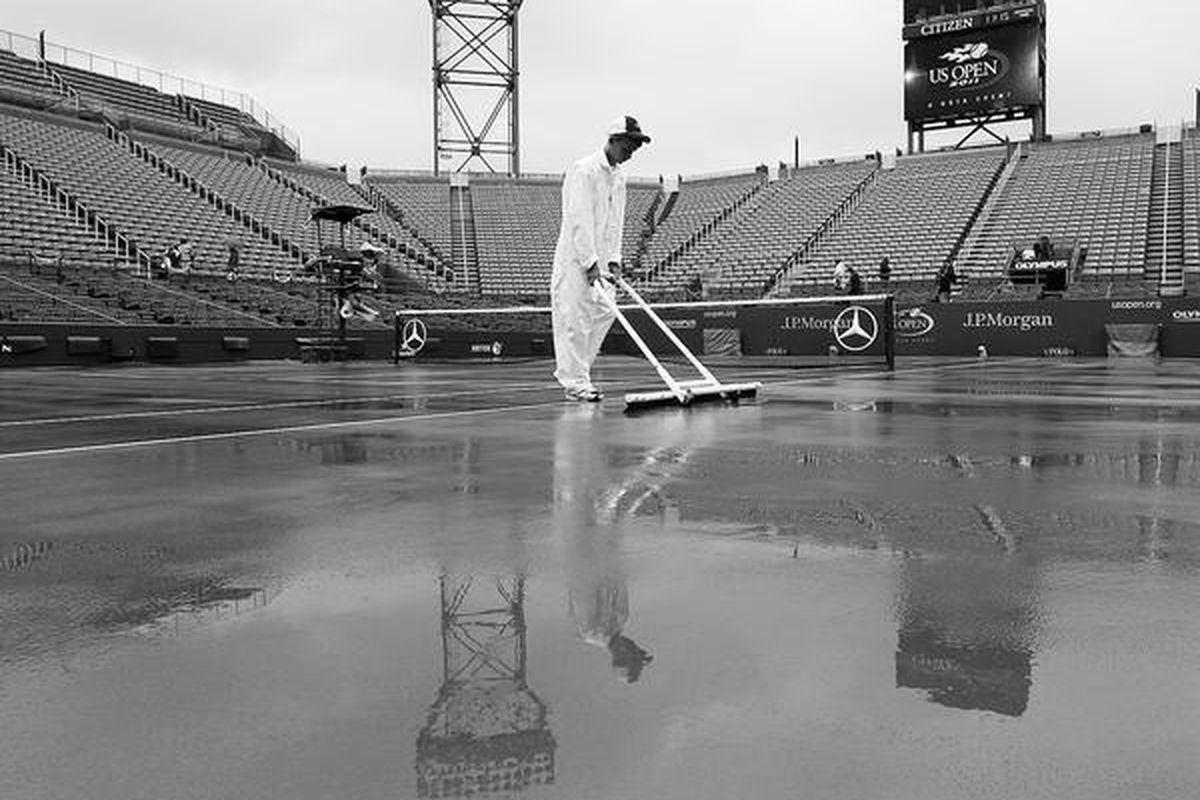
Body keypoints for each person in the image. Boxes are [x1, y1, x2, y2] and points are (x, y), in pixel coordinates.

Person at [551, 115, 651, 402]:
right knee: (575, 320)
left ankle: (580, 374)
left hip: (604, 261)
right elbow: (578, 218)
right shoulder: (584, 170)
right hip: (576, 260)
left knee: (605, 311)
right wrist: (589, 262)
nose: (632, 152)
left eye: (635, 147)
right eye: (629, 145)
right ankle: (575, 383)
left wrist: (614, 259)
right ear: (614, 139)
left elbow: (616, 221)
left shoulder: (619, 176)